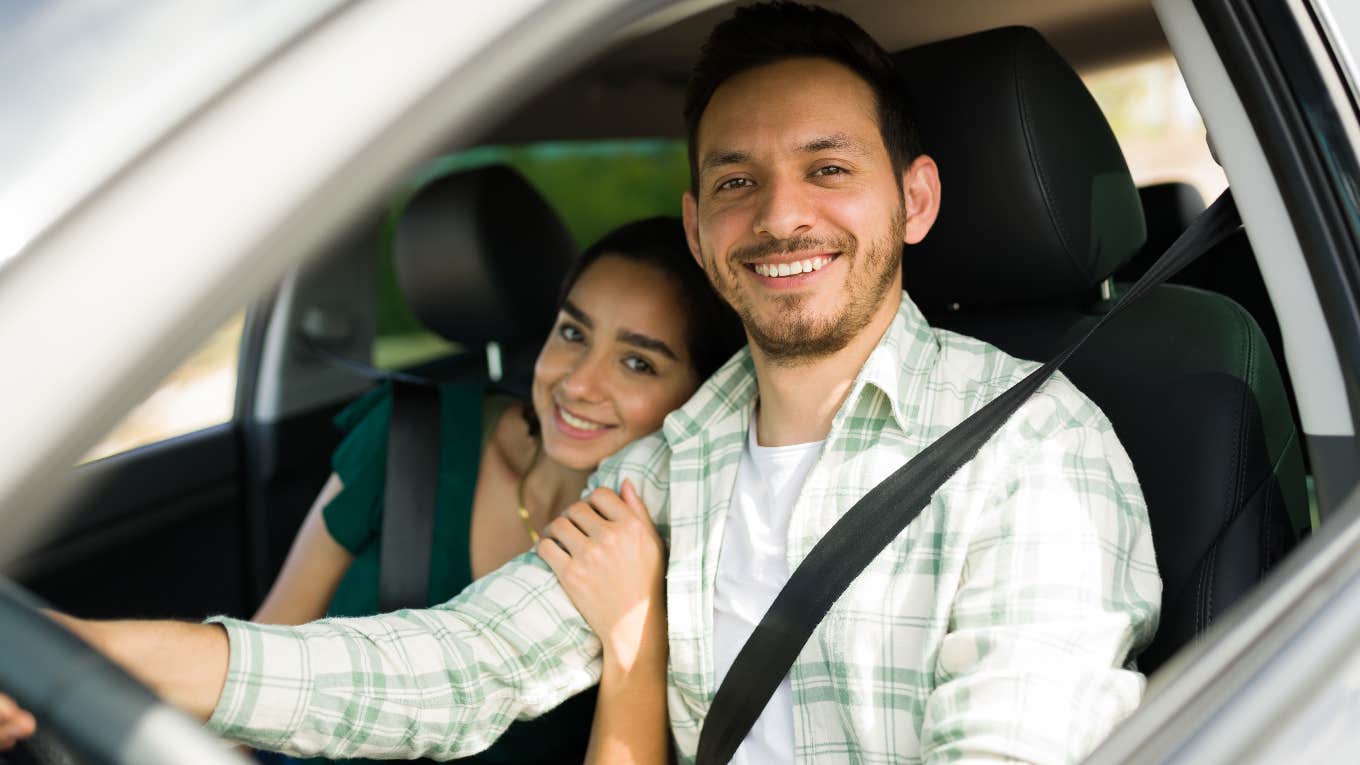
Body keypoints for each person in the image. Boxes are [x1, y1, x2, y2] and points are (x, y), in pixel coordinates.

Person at [0, 4, 1161, 763]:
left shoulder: (1032, 453)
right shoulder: (665, 470)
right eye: (736, 182)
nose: (781, 214)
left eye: (827, 170)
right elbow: (452, 665)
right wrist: (107, 654)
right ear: (704, 231)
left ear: (912, 201)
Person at [246, 214, 742, 764]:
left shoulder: (688, 558)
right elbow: (260, 660)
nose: (577, 383)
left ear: (702, 399)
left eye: (636, 363)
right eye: (573, 333)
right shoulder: (411, 435)